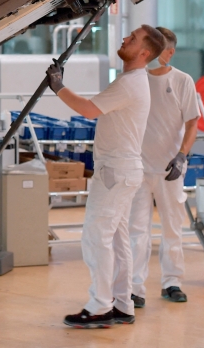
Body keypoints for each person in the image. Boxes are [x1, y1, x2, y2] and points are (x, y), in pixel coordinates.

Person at [46, 25, 167, 329]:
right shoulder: (131, 80)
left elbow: (88, 110)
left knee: (95, 237)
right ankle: (123, 304)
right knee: (115, 239)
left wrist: (58, 86)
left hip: (115, 171)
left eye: (133, 39)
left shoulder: (131, 83)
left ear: (144, 53)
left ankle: (100, 306)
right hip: (122, 170)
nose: (125, 38)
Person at [126, 27, 200, 307]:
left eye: (164, 50)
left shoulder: (182, 81)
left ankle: (172, 282)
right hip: (139, 168)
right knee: (137, 230)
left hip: (171, 168)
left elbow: (193, 122)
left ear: (169, 52)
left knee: (172, 227)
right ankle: (135, 288)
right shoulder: (136, 80)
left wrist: (182, 155)